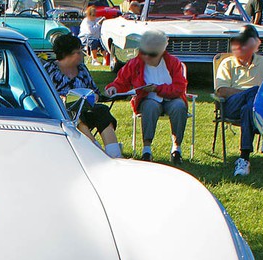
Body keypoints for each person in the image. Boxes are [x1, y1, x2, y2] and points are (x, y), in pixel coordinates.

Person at [105, 30, 188, 164]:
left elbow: (179, 88)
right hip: (147, 99)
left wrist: (157, 88)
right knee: (150, 106)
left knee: (179, 106)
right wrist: (113, 88)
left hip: (171, 98)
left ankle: (176, 149)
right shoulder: (135, 63)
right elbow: (122, 81)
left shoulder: (173, 63)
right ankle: (147, 150)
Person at [44, 34, 123, 158]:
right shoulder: (50, 69)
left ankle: (115, 154)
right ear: (66, 54)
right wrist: (62, 99)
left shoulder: (82, 69)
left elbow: (94, 90)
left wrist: (95, 96)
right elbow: (44, 95)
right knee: (75, 115)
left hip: (85, 107)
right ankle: (97, 152)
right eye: (78, 52)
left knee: (102, 111)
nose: (82, 54)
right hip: (62, 112)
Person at [214, 24, 263, 176]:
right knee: (254, 91)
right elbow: (222, 91)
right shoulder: (227, 63)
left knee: (248, 109)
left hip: (254, 108)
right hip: (231, 105)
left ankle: (244, 158)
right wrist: (249, 92)